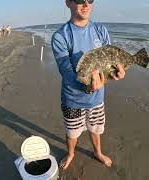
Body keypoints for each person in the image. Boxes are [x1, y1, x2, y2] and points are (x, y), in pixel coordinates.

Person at [51, 0, 125, 170]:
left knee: (96, 129)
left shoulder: (101, 30)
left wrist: (117, 73)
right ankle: (70, 154)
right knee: (72, 132)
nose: (86, 4)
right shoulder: (61, 36)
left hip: (97, 98)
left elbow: (111, 62)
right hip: (72, 99)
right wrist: (86, 87)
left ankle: (97, 152)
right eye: (79, 0)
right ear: (68, 3)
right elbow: (66, 72)